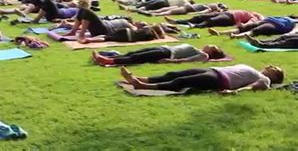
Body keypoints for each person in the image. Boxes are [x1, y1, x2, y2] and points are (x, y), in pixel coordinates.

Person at [118, 64, 284, 93]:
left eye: (275, 69)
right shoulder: (255, 69)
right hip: (214, 70)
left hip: (220, 79)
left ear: (275, 76)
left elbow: (255, 86)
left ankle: (142, 86)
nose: (270, 67)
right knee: (174, 74)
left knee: (181, 82)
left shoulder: (265, 80)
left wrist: (235, 92)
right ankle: (140, 79)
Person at [65, 0, 133, 42]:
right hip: (102, 27)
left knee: (85, 11)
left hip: (103, 30)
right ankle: (73, 31)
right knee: (81, 11)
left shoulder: (127, 24)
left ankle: (81, 34)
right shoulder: (123, 20)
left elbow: (133, 29)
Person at [92, 44, 226, 66]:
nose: (208, 45)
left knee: (137, 58)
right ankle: (110, 58)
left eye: (212, 47)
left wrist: (171, 62)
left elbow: (187, 60)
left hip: (167, 53)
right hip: (164, 48)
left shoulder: (204, 56)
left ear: (212, 52)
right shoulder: (199, 49)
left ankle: (109, 61)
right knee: (134, 53)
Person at [209, 16, 298, 38]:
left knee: (258, 30)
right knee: (245, 27)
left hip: (277, 26)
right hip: (267, 20)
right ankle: (220, 33)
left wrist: (289, 34)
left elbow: (294, 31)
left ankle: (236, 36)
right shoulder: (291, 17)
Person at [80, 24, 166, 44]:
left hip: (127, 30)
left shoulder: (147, 28)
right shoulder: (151, 36)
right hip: (129, 37)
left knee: (108, 35)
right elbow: (160, 37)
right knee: (108, 38)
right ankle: (90, 40)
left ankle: (92, 38)